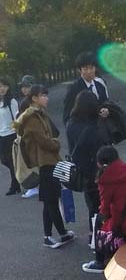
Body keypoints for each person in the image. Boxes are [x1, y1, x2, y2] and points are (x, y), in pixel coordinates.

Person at [13, 85, 74, 248]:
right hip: (44, 161)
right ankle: (58, 234)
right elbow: (45, 141)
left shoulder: (39, 114)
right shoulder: (32, 117)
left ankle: (52, 235)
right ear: (34, 98)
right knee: (51, 199)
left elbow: (52, 133)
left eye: (46, 95)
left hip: (47, 160)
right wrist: (56, 144)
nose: (46, 98)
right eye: (43, 95)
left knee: (50, 200)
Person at [66, 91, 109, 247]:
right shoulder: (91, 126)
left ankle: (94, 235)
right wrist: (102, 121)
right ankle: (98, 238)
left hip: (82, 170)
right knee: (100, 205)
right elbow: (102, 140)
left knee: (92, 205)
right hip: (95, 170)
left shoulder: (71, 123)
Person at [63, 52, 109, 125]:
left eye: (91, 68)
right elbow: (67, 115)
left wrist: (106, 110)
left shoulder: (100, 86)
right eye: (85, 69)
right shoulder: (73, 89)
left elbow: (107, 104)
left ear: (95, 68)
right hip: (83, 131)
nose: (89, 72)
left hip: (101, 129)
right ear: (79, 70)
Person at [0, 78, 20, 195]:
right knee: (5, 160)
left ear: (8, 87)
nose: (2, 89)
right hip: (1, 135)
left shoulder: (11, 101)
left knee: (11, 160)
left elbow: (17, 118)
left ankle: (15, 185)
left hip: (11, 134)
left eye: (4, 86)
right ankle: (16, 181)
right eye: (0, 86)